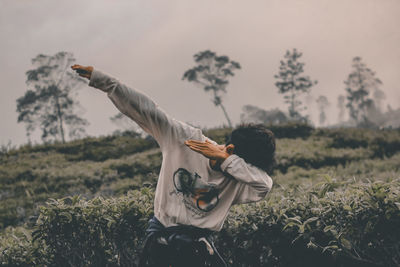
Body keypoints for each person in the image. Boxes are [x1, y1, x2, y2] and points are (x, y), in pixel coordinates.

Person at [71, 64, 275, 267]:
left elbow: (264, 185)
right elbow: (147, 110)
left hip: (198, 253)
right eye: (240, 164)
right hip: (160, 246)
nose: (239, 170)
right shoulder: (184, 139)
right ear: (229, 148)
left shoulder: (241, 178)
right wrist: (104, 81)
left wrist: (229, 161)